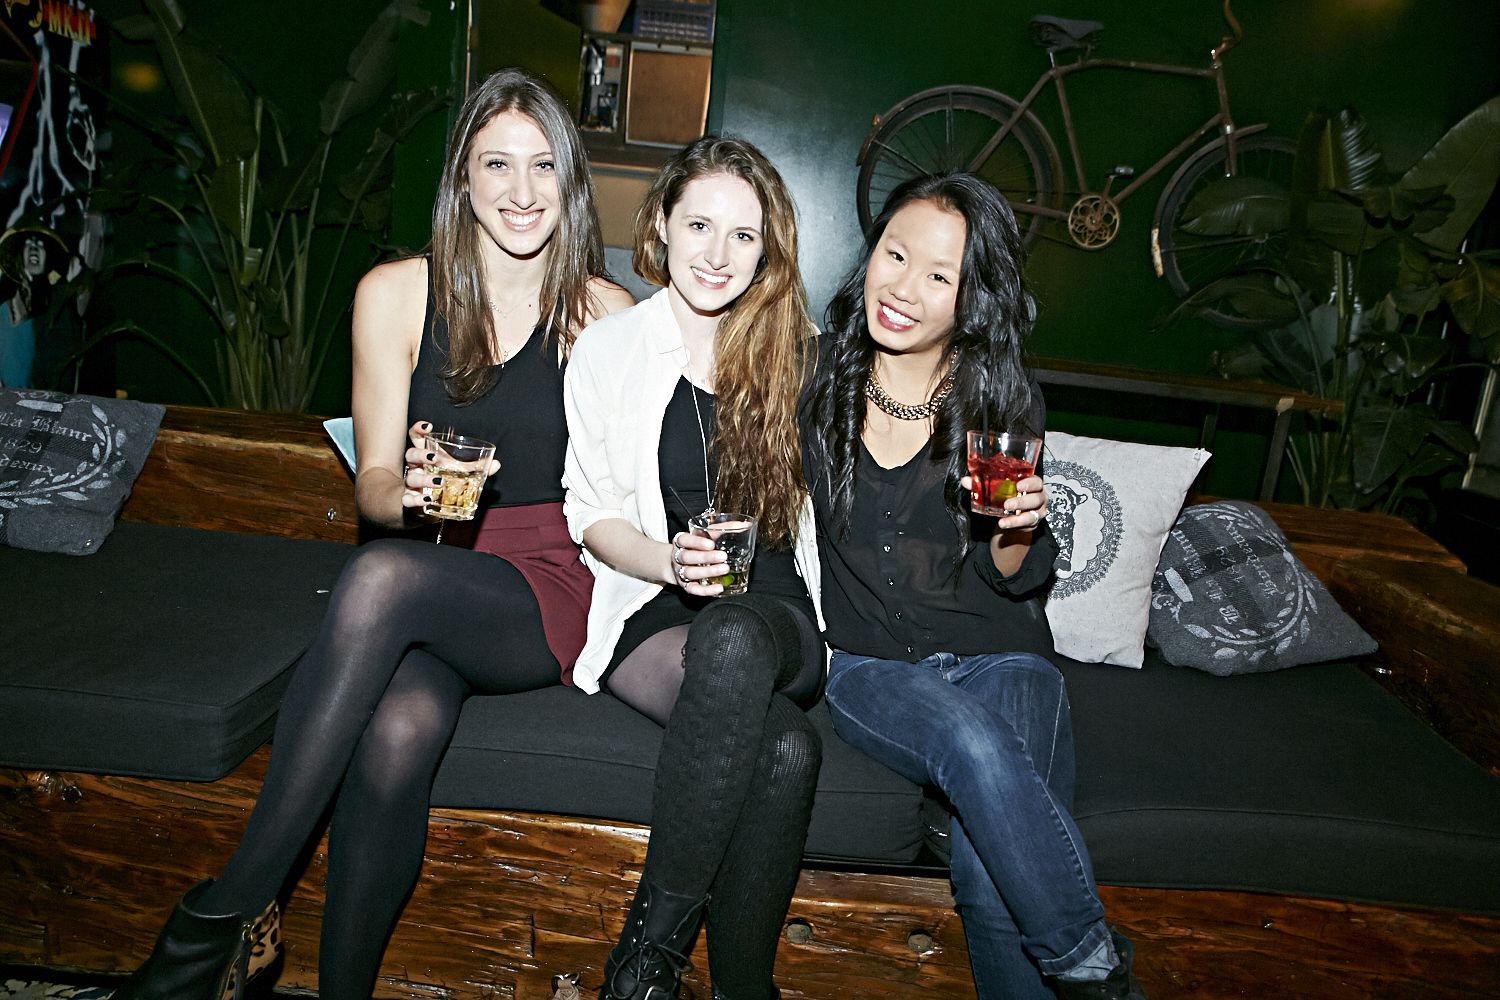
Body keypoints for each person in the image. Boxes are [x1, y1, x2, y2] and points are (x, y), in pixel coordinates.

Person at [113, 69, 633, 1000]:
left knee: (383, 582)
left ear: (571, 181)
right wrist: (423, 494)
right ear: (462, 181)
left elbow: (626, 492)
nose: (522, 191)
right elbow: (378, 490)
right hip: (425, 560)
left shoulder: (603, 314)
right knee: (398, 729)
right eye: (496, 164)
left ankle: (218, 922)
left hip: (545, 581)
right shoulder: (396, 293)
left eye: (544, 165)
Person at [801, 172, 1148, 1000]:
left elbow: (1011, 578)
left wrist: (1019, 528)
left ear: (969, 297)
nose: (906, 288)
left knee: (989, 881)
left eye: (939, 275)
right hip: (869, 665)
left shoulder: (998, 395)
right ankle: (1097, 972)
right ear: (869, 258)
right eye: (896, 255)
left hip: (1002, 655)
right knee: (974, 742)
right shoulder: (814, 381)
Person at [563, 135, 822, 1000]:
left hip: (774, 610)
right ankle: (745, 988)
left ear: (768, 248)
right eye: (700, 224)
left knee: (742, 638)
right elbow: (592, 515)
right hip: (657, 603)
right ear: (663, 225)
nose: (718, 253)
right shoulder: (610, 350)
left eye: (743, 235)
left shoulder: (799, 355)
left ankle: (645, 963)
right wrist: (669, 561)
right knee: (784, 749)